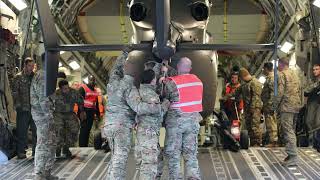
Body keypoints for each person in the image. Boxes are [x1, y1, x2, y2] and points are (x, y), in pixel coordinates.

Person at [104, 48, 169, 180]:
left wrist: (124, 54)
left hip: (108, 125)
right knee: (120, 158)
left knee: (114, 156)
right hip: (122, 126)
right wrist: (160, 107)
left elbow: (115, 69)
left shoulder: (113, 81)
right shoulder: (130, 87)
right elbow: (139, 107)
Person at [163, 57, 203, 179]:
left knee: (174, 155)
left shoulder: (171, 82)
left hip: (176, 124)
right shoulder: (198, 81)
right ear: (190, 68)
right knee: (191, 154)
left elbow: (165, 96)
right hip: (192, 123)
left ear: (178, 67)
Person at [135, 69, 169, 179]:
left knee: (151, 161)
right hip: (150, 133)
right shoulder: (152, 96)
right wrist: (165, 105)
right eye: (155, 78)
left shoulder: (140, 91)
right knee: (149, 166)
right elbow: (158, 114)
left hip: (143, 131)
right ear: (152, 80)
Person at [30, 53, 58, 179]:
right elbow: (43, 99)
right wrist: (49, 116)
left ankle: (46, 171)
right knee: (43, 143)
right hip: (43, 115)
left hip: (45, 114)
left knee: (51, 143)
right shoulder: (42, 76)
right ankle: (39, 173)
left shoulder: (45, 75)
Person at [274, 57, 302, 167]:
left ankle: (293, 156)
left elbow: (280, 92)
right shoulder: (295, 74)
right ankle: (291, 155)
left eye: (278, 64)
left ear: (281, 64)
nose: (278, 67)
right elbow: (300, 89)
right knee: (292, 130)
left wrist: (274, 106)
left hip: (286, 107)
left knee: (288, 131)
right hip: (295, 106)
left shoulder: (282, 75)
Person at [224, 68, 263, 146]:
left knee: (255, 125)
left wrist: (252, 108)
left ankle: (257, 142)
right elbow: (236, 92)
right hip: (248, 108)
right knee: (249, 125)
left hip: (255, 108)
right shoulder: (244, 84)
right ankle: (252, 142)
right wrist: (226, 97)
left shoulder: (255, 83)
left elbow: (256, 97)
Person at [52, 79, 85, 158]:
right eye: (64, 89)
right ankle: (58, 148)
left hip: (70, 113)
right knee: (59, 130)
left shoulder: (73, 92)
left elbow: (80, 102)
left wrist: (82, 112)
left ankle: (66, 148)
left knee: (74, 129)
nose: (67, 90)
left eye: (67, 88)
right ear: (60, 88)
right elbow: (48, 104)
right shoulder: (55, 94)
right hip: (58, 114)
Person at [12, 57, 36, 159]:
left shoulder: (35, 77)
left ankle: (36, 151)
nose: (31, 68)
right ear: (25, 66)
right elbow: (15, 93)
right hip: (23, 109)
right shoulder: (18, 77)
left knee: (36, 131)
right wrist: (18, 106)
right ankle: (21, 151)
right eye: (30, 66)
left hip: (34, 109)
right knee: (22, 131)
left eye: (33, 66)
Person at [78, 76, 101, 147]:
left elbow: (96, 103)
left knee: (88, 129)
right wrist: (82, 112)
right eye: (91, 80)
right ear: (88, 80)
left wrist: (98, 114)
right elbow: (79, 101)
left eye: (94, 80)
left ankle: (85, 145)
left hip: (91, 112)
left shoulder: (95, 91)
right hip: (84, 111)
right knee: (84, 129)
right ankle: (82, 146)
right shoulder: (83, 88)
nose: (93, 82)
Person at [261, 62, 278, 147]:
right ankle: (272, 141)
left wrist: (271, 105)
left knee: (271, 123)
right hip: (267, 105)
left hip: (270, 105)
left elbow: (273, 92)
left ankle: (273, 142)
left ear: (266, 69)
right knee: (270, 123)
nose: (263, 70)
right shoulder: (270, 78)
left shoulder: (271, 78)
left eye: (263, 69)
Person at [304, 64, 320, 152]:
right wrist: (315, 85)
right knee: (309, 122)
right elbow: (305, 91)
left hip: (318, 104)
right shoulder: (311, 81)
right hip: (312, 104)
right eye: (314, 69)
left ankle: (316, 144)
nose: (315, 71)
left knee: (317, 123)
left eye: (317, 69)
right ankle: (311, 143)